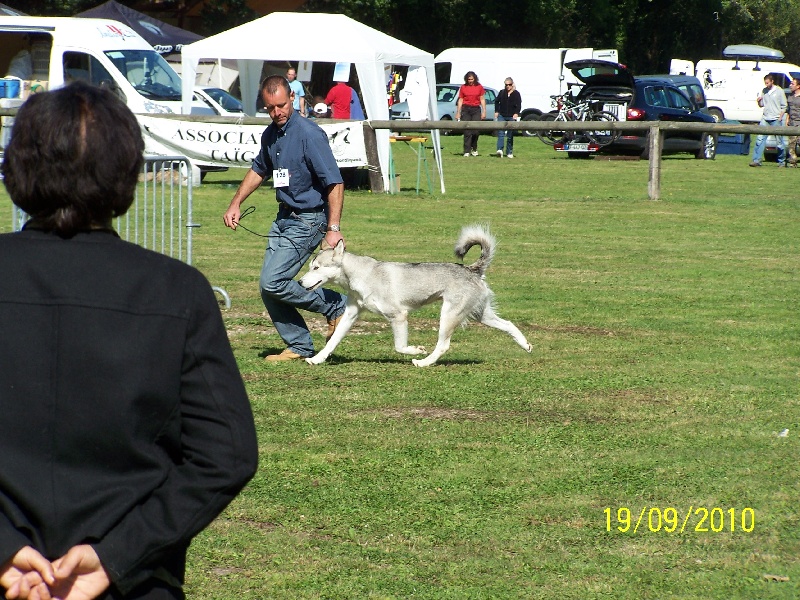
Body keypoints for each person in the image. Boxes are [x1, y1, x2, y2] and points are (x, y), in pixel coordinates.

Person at [0, 82, 258, 599]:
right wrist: (119, 552)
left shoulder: (180, 292)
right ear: (127, 173)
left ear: (15, 167)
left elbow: (227, 455)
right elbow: (225, 452)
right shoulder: (177, 291)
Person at [223, 75, 347, 362]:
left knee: (273, 282)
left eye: (281, 105)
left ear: (292, 97)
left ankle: (336, 306)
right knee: (269, 289)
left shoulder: (309, 134)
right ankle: (300, 346)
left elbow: (335, 183)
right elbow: (258, 170)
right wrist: (235, 203)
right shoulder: (271, 134)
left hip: (309, 219)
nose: (277, 112)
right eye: (270, 108)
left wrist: (334, 228)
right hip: (283, 219)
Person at [749, 73, 787, 167]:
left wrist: (780, 117)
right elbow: (762, 105)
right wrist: (758, 101)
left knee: (779, 142)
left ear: (772, 81)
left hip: (776, 118)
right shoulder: (764, 91)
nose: (766, 85)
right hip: (765, 118)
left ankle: (781, 161)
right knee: (760, 139)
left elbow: (784, 106)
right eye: (765, 83)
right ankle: (756, 160)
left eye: (767, 83)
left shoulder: (779, 91)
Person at [455, 71, 486, 157]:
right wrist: (458, 112)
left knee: (475, 130)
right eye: (469, 79)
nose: (470, 81)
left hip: (476, 109)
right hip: (466, 109)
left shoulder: (479, 87)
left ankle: (474, 148)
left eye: (472, 79)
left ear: (475, 78)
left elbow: (482, 99)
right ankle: (466, 150)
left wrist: (484, 111)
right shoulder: (463, 87)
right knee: (467, 131)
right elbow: (460, 100)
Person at [494, 77, 521, 158]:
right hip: (502, 115)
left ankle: (509, 152)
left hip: (511, 116)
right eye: (506, 85)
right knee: (501, 134)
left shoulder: (516, 94)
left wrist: (516, 113)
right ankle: (499, 150)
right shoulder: (502, 92)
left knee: (510, 135)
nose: (508, 86)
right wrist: (497, 111)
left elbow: (519, 105)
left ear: (512, 85)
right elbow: (496, 101)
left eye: (509, 85)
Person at [785, 77, 800, 166]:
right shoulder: (790, 96)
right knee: (791, 144)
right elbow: (788, 110)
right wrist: (787, 120)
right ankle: (792, 162)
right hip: (792, 123)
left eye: (792, 84)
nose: (790, 85)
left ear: (798, 86)